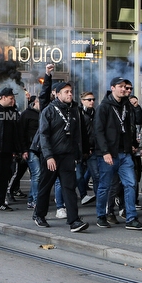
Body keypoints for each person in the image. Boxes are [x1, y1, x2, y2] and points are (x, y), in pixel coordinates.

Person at [33, 81, 89, 232]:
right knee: (45, 187)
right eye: (66, 92)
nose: (70, 94)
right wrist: (48, 156)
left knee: (69, 188)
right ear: (57, 94)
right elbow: (43, 135)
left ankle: (74, 221)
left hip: (68, 156)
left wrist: (78, 154)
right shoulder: (49, 110)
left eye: (71, 91)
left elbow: (78, 134)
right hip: (51, 156)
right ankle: (39, 214)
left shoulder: (74, 110)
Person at [94, 77, 142, 230]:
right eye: (121, 86)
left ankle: (131, 218)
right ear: (113, 88)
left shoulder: (127, 106)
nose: (124, 89)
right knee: (105, 186)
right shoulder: (104, 107)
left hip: (125, 153)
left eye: (126, 87)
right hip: (109, 153)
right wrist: (105, 152)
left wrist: (133, 144)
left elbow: (132, 125)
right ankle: (101, 216)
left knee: (131, 184)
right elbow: (99, 131)